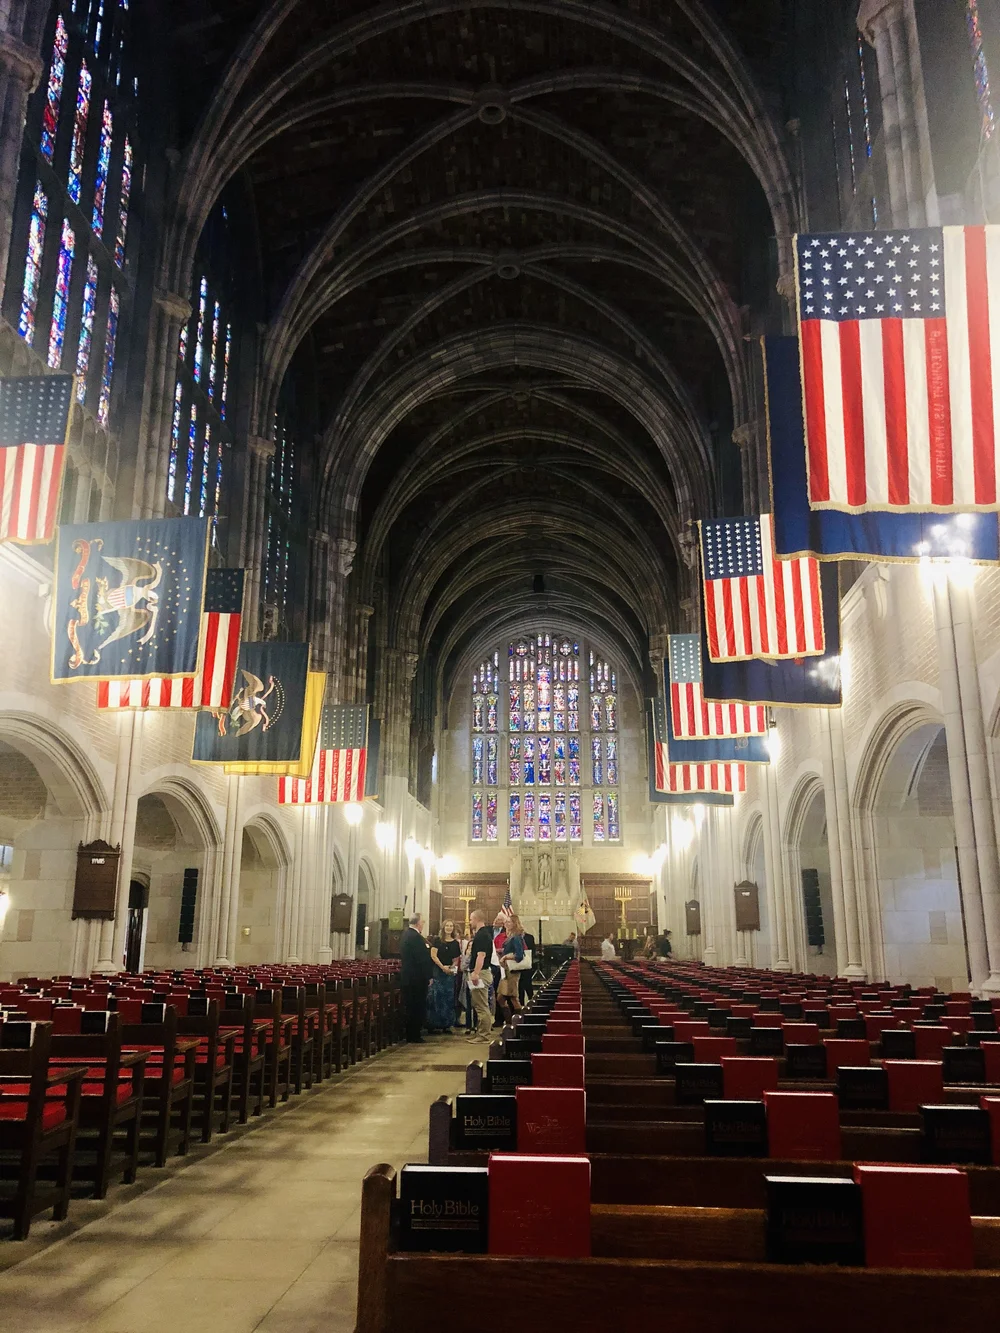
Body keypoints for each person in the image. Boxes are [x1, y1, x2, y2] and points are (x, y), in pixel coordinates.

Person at [399, 912, 434, 1043]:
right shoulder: (416, 937)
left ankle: (411, 1033)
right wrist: (429, 976)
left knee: (410, 1006)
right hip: (416, 978)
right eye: (423, 922)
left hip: (408, 976)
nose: (423, 924)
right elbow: (422, 959)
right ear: (418, 923)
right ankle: (414, 1035)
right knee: (417, 1006)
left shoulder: (406, 934)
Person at [466, 909, 495, 1044]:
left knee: (481, 1006)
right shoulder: (483, 934)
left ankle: (484, 1035)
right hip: (481, 972)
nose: (470, 921)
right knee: (478, 1004)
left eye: (471, 919)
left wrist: (476, 973)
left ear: (477, 919)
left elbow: (481, 956)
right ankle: (481, 1033)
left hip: (481, 973)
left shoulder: (482, 935)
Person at [426, 919, 461, 1032]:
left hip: (449, 972)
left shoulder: (455, 943)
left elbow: (456, 959)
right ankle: (433, 1024)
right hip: (438, 970)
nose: (449, 928)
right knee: (436, 996)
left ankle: (447, 1024)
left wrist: (451, 967)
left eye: (451, 926)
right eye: (447, 926)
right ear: (443, 927)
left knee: (449, 997)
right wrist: (442, 967)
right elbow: (433, 955)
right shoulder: (437, 940)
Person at [497, 915, 526, 1022]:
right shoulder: (510, 936)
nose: (506, 924)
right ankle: (510, 1021)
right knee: (501, 998)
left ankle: (517, 1023)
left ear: (514, 924)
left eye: (509, 922)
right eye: (506, 922)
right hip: (506, 970)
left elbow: (519, 955)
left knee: (513, 997)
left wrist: (505, 956)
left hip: (513, 971)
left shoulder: (516, 937)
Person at [518, 925, 536, 1006]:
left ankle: (531, 1001)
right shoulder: (515, 937)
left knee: (528, 983)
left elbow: (533, 949)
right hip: (518, 964)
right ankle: (521, 1003)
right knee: (520, 986)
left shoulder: (529, 937)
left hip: (527, 962)